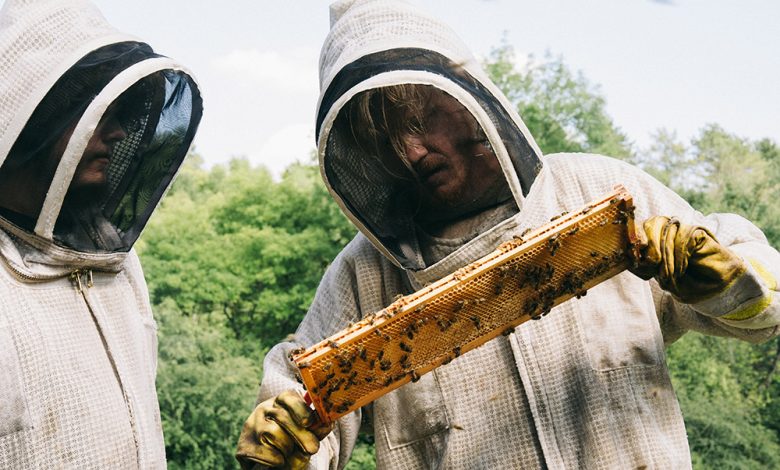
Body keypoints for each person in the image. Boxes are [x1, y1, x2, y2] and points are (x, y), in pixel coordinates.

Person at [235, 0, 780, 468]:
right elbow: (297, 393)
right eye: (384, 140)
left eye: (419, 120)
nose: (411, 152)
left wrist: (724, 275)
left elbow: (766, 310)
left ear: (464, 98)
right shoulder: (363, 276)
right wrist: (285, 444)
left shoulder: (595, 188)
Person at [0, 0, 202, 467]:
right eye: (100, 111)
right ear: (41, 112)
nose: (119, 133)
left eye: (123, 114)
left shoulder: (112, 255)